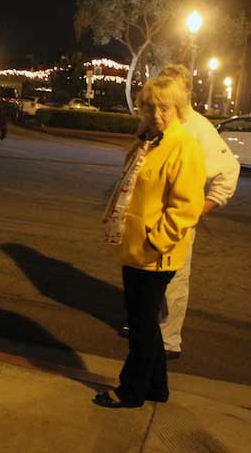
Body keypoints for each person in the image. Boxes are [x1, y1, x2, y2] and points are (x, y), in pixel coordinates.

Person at [95, 77, 206, 408]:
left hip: (155, 253)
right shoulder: (151, 142)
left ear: (178, 109)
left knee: (141, 325)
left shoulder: (183, 146)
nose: (157, 114)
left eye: (165, 107)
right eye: (150, 107)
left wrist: (157, 240)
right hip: (136, 249)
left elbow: (186, 208)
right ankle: (157, 387)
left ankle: (131, 390)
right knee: (146, 323)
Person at [119, 65, 241, 359]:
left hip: (170, 225)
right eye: (157, 98)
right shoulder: (153, 126)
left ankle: (168, 338)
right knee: (150, 293)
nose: (161, 107)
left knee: (173, 284)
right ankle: (150, 331)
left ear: (184, 94)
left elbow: (228, 171)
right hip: (148, 224)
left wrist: (201, 208)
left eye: (169, 96)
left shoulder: (195, 129)